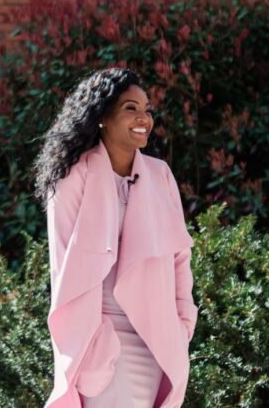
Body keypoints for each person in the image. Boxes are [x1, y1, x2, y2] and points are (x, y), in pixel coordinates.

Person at [36, 67, 198, 408]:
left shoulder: (160, 176)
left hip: (156, 341)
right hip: (103, 343)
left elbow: (179, 258)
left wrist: (183, 324)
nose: (144, 118)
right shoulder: (72, 175)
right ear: (101, 117)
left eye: (147, 110)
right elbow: (61, 263)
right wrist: (93, 342)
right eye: (130, 108)